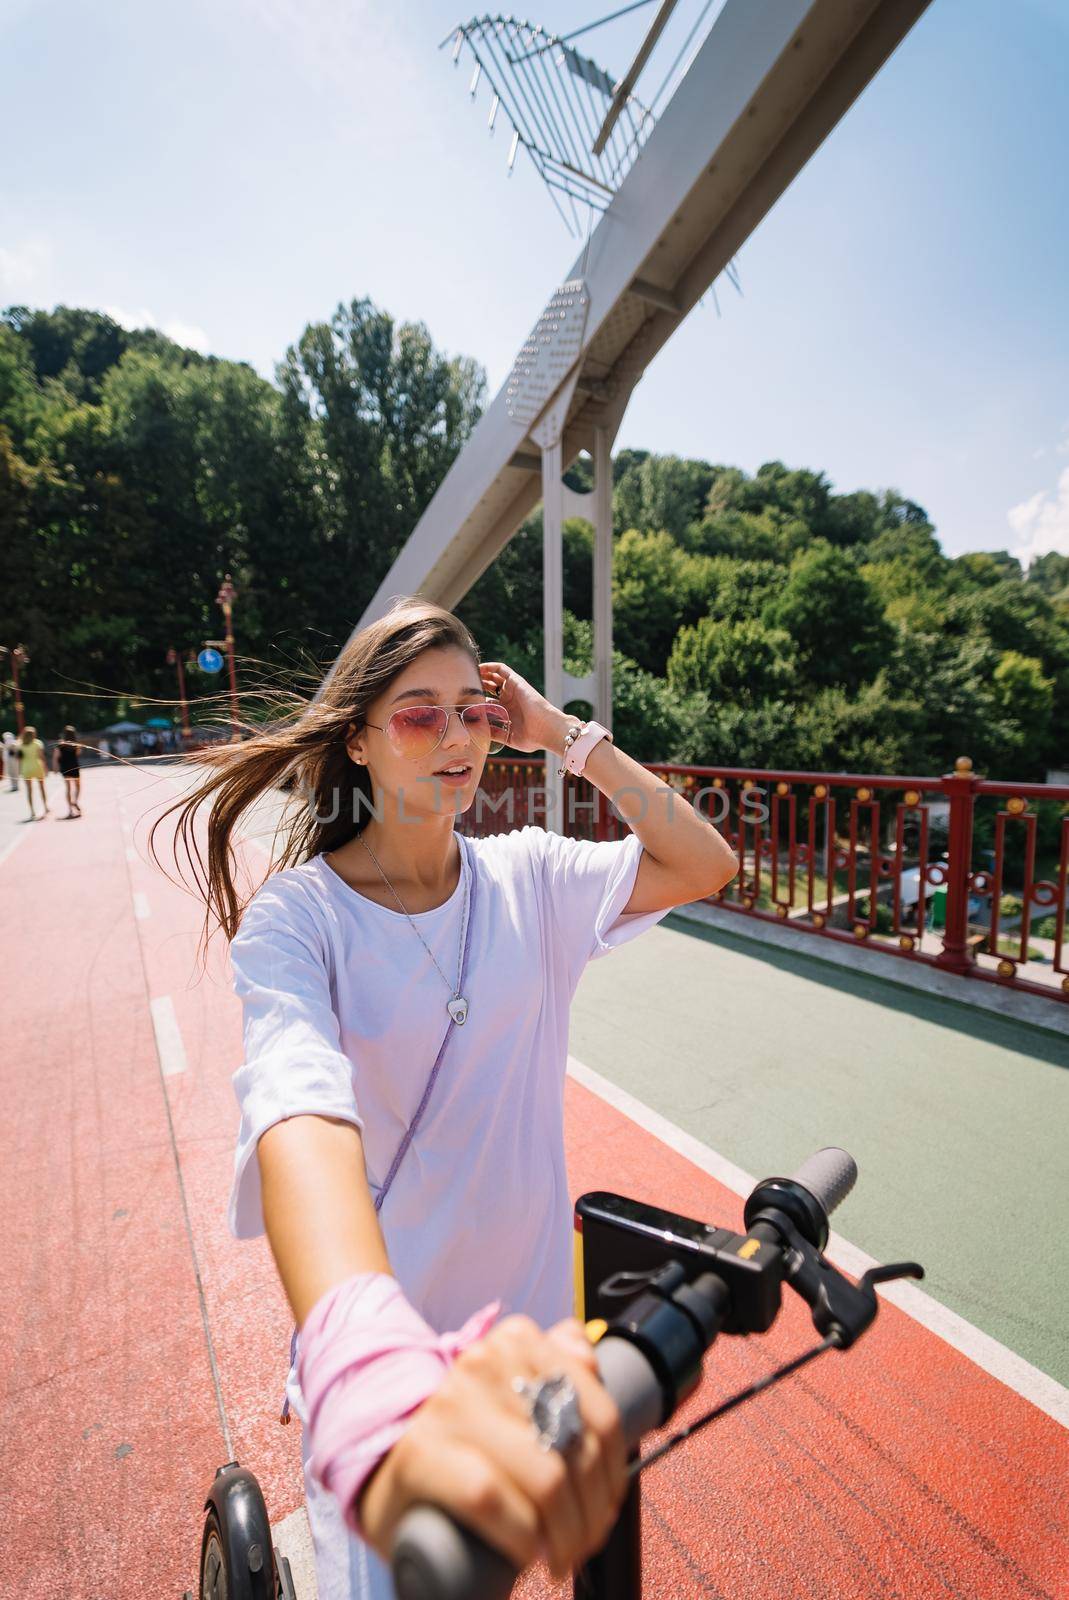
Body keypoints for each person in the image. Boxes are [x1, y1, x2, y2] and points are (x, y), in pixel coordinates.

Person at [153, 598, 737, 1600]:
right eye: (420, 714)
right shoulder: (301, 920)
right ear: (359, 740)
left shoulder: (532, 878)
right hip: (388, 1381)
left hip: (528, 1351)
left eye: (474, 709)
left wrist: (565, 736)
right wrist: (362, 1362)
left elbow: (706, 862)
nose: (458, 734)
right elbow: (298, 1105)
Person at [19, 725, 49, 819]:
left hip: (26, 768)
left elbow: (19, 759)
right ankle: (45, 807)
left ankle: (32, 811)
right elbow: (41, 757)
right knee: (42, 788)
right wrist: (46, 767)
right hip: (37, 766)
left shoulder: (20, 745)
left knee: (29, 791)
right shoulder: (37, 743)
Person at [52, 725, 82, 817]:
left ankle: (70, 810)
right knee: (77, 786)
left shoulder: (60, 744)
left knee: (68, 788)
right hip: (74, 766)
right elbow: (78, 754)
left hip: (65, 768)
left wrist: (55, 768)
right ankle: (75, 801)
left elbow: (56, 757)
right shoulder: (76, 744)